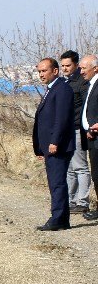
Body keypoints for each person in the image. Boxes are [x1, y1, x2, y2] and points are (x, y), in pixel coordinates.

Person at [32, 57, 76, 231]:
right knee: (55, 182)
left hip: (58, 145)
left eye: (44, 71)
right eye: (39, 71)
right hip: (49, 145)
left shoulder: (62, 89)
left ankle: (57, 218)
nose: (41, 75)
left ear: (55, 71)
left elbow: (62, 118)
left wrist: (54, 141)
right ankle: (62, 219)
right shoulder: (51, 89)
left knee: (57, 183)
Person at [60, 50, 90, 213]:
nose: (65, 68)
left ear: (76, 65)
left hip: (78, 129)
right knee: (70, 168)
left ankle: (83, 202)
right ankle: (71, 201)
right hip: (67, 131)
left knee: (80, 167)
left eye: (68, 65)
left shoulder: (82, 82)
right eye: (62, 65)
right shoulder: (65, 82)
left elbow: (85, 107)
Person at [79, 55, 98, 221]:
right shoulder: (89, 85)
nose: (81, 71)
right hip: (92, 137)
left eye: (84, 68)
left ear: (95, 68)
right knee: (96, 174)